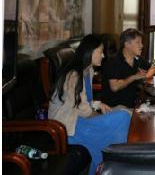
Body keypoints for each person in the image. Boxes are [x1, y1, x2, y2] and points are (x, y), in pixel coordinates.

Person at [49, 34, 131, 175]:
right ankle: (113, 167)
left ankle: (107, 167)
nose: (103, 56)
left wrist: (99, 105)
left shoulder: (88, 70)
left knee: (122, 112)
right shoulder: (73, 75)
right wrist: (98, 114)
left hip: (78, 121)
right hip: (68, 128)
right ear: (90, 52)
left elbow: (84, 101)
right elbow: (83, 110)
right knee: (122, 116)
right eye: (100, 52)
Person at [102, 28, 155, 110]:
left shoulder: (137, 59)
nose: (142, 46)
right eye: (138, 42)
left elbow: (152, 68)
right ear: (127, 44)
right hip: (115, 108)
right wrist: (134, 77)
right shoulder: (113, 62)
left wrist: (147, 74)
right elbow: (115, 87)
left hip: (133, 105)